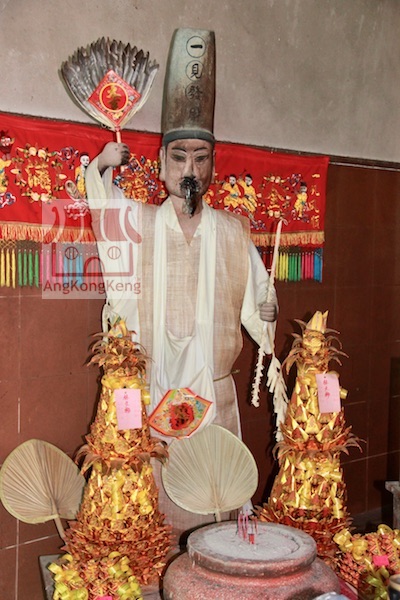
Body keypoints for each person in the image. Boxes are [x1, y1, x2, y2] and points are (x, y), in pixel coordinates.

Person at [85, 28, 278, 539]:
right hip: (155, 394)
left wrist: (266, 314)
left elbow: (260, 302)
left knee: (216, 518)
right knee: (158, 515)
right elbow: (105, 206)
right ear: (161, 163)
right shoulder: (141, 222)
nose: (189, 169)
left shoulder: (233, 231)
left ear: (213, 164)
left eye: (200, 157)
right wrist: (102, 166)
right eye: (178, 157)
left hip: (215, 398)